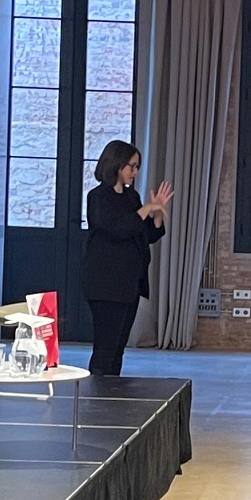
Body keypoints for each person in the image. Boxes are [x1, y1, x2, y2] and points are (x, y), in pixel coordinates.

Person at [82, 138, 170, 377]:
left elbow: (145, 235)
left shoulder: (132, 197)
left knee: (118, 347)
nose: (135, 172)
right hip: (105, 284)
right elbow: (117, 228)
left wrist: (157, 214)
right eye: (132, 166)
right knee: (105, 347)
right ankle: (96, 391)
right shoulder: (98, 197)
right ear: (116, 164)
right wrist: (146, 209)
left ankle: (112, 391)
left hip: (129, 284)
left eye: (137, 166)